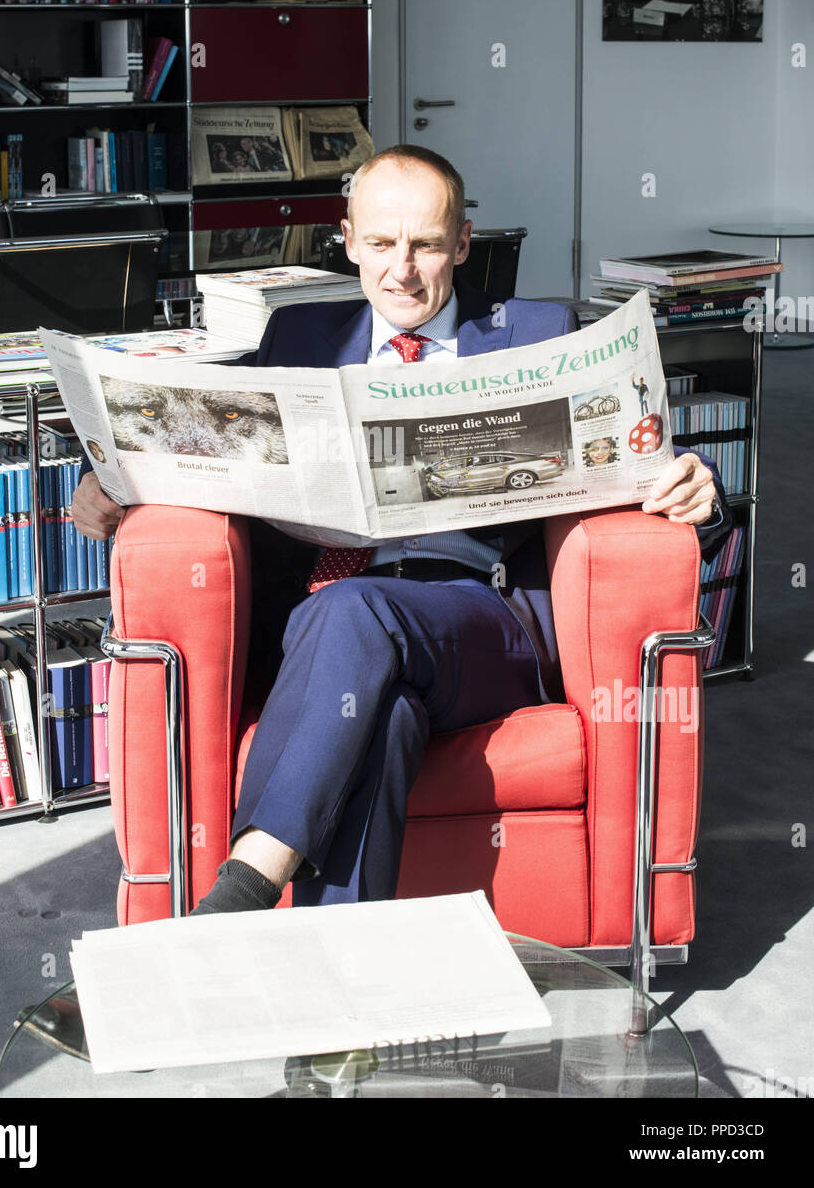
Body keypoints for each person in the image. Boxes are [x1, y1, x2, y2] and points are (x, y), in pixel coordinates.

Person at [73, 145, 730, 919]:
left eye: (424, 244)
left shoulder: (534, 329)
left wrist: (692, 482)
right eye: (381, 243)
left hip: (482, 622)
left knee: (354, 609)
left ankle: (246, 882)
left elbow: (634, 437)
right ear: (347, 239)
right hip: (328, 639)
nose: (402, 270)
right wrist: (117, 482)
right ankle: (343, 1001)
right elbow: (212, 441)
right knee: (381, 720)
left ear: (462, 242)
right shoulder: (301, 339)